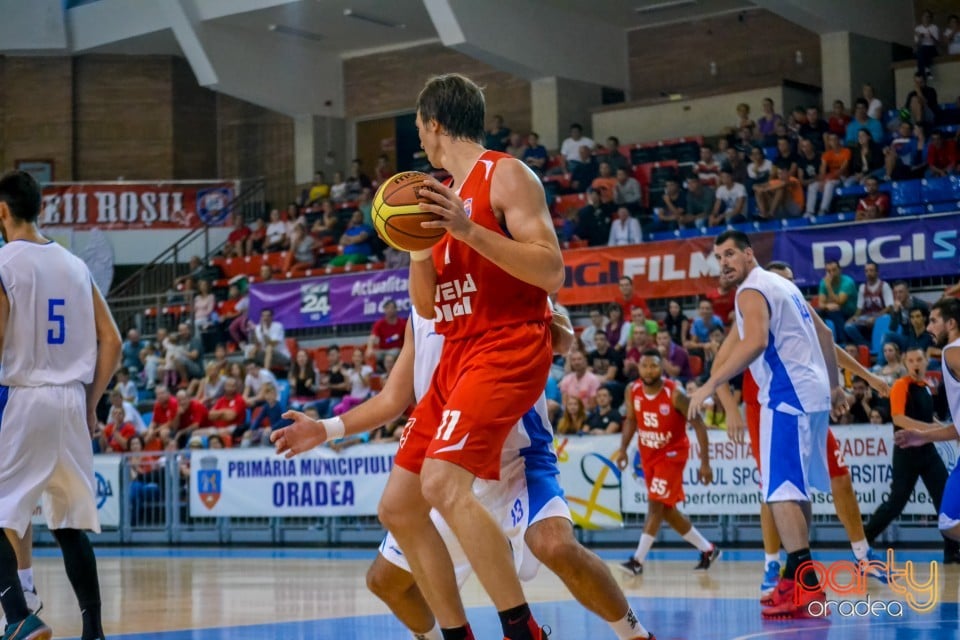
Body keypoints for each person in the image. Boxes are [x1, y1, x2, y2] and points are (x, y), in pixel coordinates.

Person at [272, 309, 654, 640]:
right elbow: (393, 398)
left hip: (515, 460)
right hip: (447, 467)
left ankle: (634, 634)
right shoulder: (418, 316)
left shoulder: (497, 272)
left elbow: (562, 340)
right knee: (385, 581)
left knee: (556, 546)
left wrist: (550, 319)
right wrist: (326, 428)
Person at [370, 74, 564, 640]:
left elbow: (550, 269)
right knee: (398, 506)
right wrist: (420, 253)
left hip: (508, 343)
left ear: (434, 124)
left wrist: (467, 228)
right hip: (458, 351)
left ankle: (520, 627)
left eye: (418, 127)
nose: (420, 139)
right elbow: (428, 307)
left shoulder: (506, 175)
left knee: (440, 483)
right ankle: (457, 634)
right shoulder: (432, 193)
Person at [687, 230, 845, 619]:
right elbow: (824, 334)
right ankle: (794, 578)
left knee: (779, 491)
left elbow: (755, 342)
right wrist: (837, 385)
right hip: (814, 394)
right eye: (717, 257)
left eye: (729, 254)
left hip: (787, 397)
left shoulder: (750, 290)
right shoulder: (782, 284)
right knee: (796, 489)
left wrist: (711, 383)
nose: (723, 262)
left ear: (748, 253)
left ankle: (808, 586)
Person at [715, 261, 890, 598]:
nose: (788, 288)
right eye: (782, 281)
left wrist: (865, 377)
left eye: (791, 282)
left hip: (804, 403)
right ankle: (772, 562)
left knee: (839, 475)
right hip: (766, 408)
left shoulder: (798, 310)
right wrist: (729, 410)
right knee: (775, 490)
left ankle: (861, 553)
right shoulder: (752, 313)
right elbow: (718, 366)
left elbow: (829, 344)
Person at [0, 170, 122, 640]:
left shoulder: (6, 263)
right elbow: (111, 340)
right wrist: (90, 403)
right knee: (70, 524)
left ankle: (18, 616)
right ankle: (93, 629)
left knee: (4, 513)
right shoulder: (75, 265)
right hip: (72, 401)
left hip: (25, 396)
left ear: (3, 211)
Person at [615, 350, 718, 575]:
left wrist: (705, 463)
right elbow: (631, 421)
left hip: (672, 455)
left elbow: (699, 425)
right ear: (638, 367)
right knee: (667, 511)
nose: (649, 370)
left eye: (653, 366)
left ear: (661, 368)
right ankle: (707, 549)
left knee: (654, 505)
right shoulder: (632, 391)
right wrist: (622, 449)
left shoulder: (675, 393)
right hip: (648, 454)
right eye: (645, 366)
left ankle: (637, 562)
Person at [863, 346, 959, 561]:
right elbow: (898, 419)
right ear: (906, 364)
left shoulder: (926, 387)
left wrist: (945, 428)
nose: (916, 364)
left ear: (926, 362)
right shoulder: (900, 385)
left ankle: (953, 551)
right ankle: (862, 542)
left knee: (945, 499)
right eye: (911, 360)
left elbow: (928, 419)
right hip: (906, 453)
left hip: (928, 453)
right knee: (896, 503)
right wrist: (929, 431)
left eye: (919, 360)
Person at [894, 298, 960, 555]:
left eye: (933, 320)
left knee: (949, 522)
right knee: (948, 522)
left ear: (951, 323)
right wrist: (922, 436)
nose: (929, 326)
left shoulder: (951, 351)